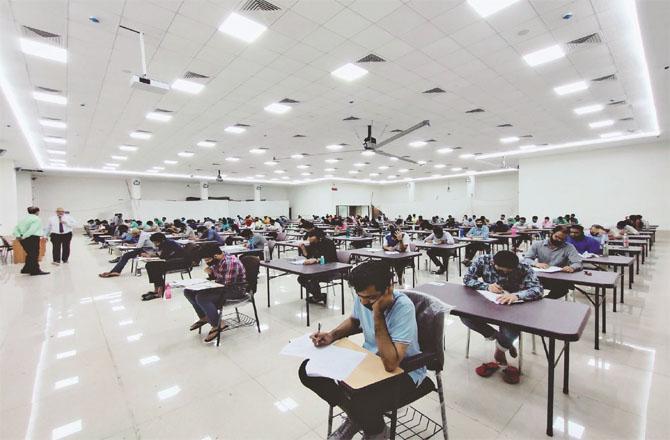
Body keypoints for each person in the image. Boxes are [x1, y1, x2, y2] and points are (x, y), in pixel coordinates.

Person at [299, 260, 424, 440]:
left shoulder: (403, 307)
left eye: (371, 298)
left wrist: (378, 313)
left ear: (389, 288)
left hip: (404, 371)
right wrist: (332, 335)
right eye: (360, 296)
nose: (365, 302)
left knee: (362, 399)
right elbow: (354, 320)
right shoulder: (364, 298)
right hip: (370, 361)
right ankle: (358, 418)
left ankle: (375, 430)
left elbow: (391, 364)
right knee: (308, 371)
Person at [460, 250, 543, 384]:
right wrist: (486, 286)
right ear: (493, 263)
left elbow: (538, 289)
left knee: (511, 332)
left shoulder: (523, 266)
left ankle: (500, 351)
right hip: (488, 302)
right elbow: (467, 279)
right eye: (502, 271)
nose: (505, 274)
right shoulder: (483, 260)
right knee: (465, 316)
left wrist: (517, 295)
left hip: (511, 305)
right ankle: (499, 338)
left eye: (509, 272)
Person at [184, 245, 247, 343]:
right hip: (223, 286)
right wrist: (210, 273)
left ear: (216, 255)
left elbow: (224, 285)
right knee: (188, 291)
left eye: (207, 260)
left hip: (235, 290)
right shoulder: (218, 260)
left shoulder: (230, 263)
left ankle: (218, 324)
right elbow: (218, 277)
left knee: (202, 298)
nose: (207, 262)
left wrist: (206, 284)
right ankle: (205, 317)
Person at [523, 226, 582, 299]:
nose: (559, 240)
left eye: (562, 239)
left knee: (562, 289)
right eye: (557, 237)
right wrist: (536, 264)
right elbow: (526, 259)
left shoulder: (569, 247)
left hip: (559, 278)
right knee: (525, 284)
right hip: (541, 276)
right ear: (551, 233)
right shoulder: (538, 244)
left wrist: (572, 267)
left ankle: (544, 301)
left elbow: (578, 262)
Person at [141, 233, 187, 301]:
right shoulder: (164, 243)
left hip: (180, 262)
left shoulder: (169, 244)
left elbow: (163, 256)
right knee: (149, 265)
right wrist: (151, 256)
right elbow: (161, 254)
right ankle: (156, 289)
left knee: (155, 267)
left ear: (161, 240)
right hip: (172, 260)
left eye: (155, 242)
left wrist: (152, 256)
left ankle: (160, 291)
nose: (155, 244)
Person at [297, 229, 338, 304]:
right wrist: (303, 248)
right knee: (301, 278)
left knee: (312, 278)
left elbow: (331, 258)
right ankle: (318, 296)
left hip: (330, 269)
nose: (309, 238)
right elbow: (309, 256)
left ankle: (317, 296)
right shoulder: (313, 243)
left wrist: (316, 260)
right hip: (317, 268)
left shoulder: (328, 243)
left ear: (318, 237)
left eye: (311, 236)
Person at [14, 206, 49, 275]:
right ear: (37, 212)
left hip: (23, 239)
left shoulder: (23, 218)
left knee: (30, 254)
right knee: (34, 254)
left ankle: (26, 269)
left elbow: (16, 228)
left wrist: (18, 236)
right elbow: (32, 230)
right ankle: (35, 271)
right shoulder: (37, 219)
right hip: (32, 238)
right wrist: (24, 236)